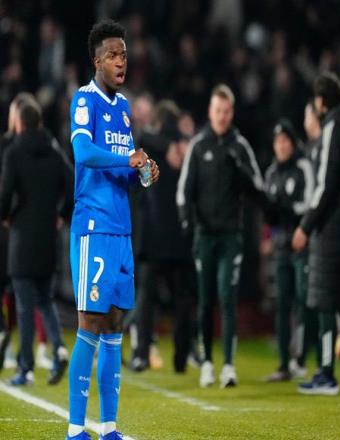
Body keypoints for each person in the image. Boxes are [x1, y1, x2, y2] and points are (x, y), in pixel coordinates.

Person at [66, 20, 159, 440]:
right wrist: (127, 160)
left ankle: (108, 428)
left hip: (122, 229)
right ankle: (74, 429)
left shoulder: (123, 108)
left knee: (116, 326)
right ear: (97, 61)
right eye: (113, 55)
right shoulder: (84, 100)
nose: (122, 61)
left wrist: (142, 172)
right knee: (90, 321)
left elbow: (123, 168)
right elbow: (84, 152)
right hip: (94, 227)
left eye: (124, 54)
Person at [177, 84, 264, 388]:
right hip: (204, 236)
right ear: (210, 112)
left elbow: (258, 188)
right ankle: (207, 363)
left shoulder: (240, 146)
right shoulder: (198, 145)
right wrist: (187, 223)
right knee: (204, 300)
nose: (222, 116)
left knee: (227, 298)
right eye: (218, 111)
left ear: (232, 112)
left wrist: (241, 171)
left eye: (226, 111)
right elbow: (184, 191)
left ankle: (228, 365)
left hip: (230, 237)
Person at [292, 72, 340, 396]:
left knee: (325, 299)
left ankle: (326, 373)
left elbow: (325, 186)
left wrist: (306, 226)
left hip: (331, 228)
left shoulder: (332, 130)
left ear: (321, 101)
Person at [0, 100, 72, 386]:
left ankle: (26, 368)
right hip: (48, 237)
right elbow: (73, 182)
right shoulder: (54, 152)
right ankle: (60, 348)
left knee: (24, 305)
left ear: (20, 123)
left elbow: (5, 193)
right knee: (45, 299)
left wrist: (5, 216)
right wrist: (62, 215)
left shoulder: (14, 152)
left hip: (22, 237)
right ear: (39, 122)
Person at [129, 99, 196, 374]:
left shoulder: (151, 146)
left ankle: (141, 354)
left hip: (153, 235)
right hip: (180, 235)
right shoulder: (185, 147)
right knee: (183, 300)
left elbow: (141, 137)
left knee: (146, 298)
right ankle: (181, 357)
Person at [264, 119, 314, 381]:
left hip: (301, 245)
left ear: (293, 144)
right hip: (281, 247)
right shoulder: (271, 172)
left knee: (304, 300)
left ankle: (302, 358)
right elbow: (268, 211)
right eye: (278, 142)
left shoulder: (303, 167)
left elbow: (309, 203)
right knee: (282, 304)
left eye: (285, 141)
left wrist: (287, 211)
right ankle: (284, 363)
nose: (282, 146)